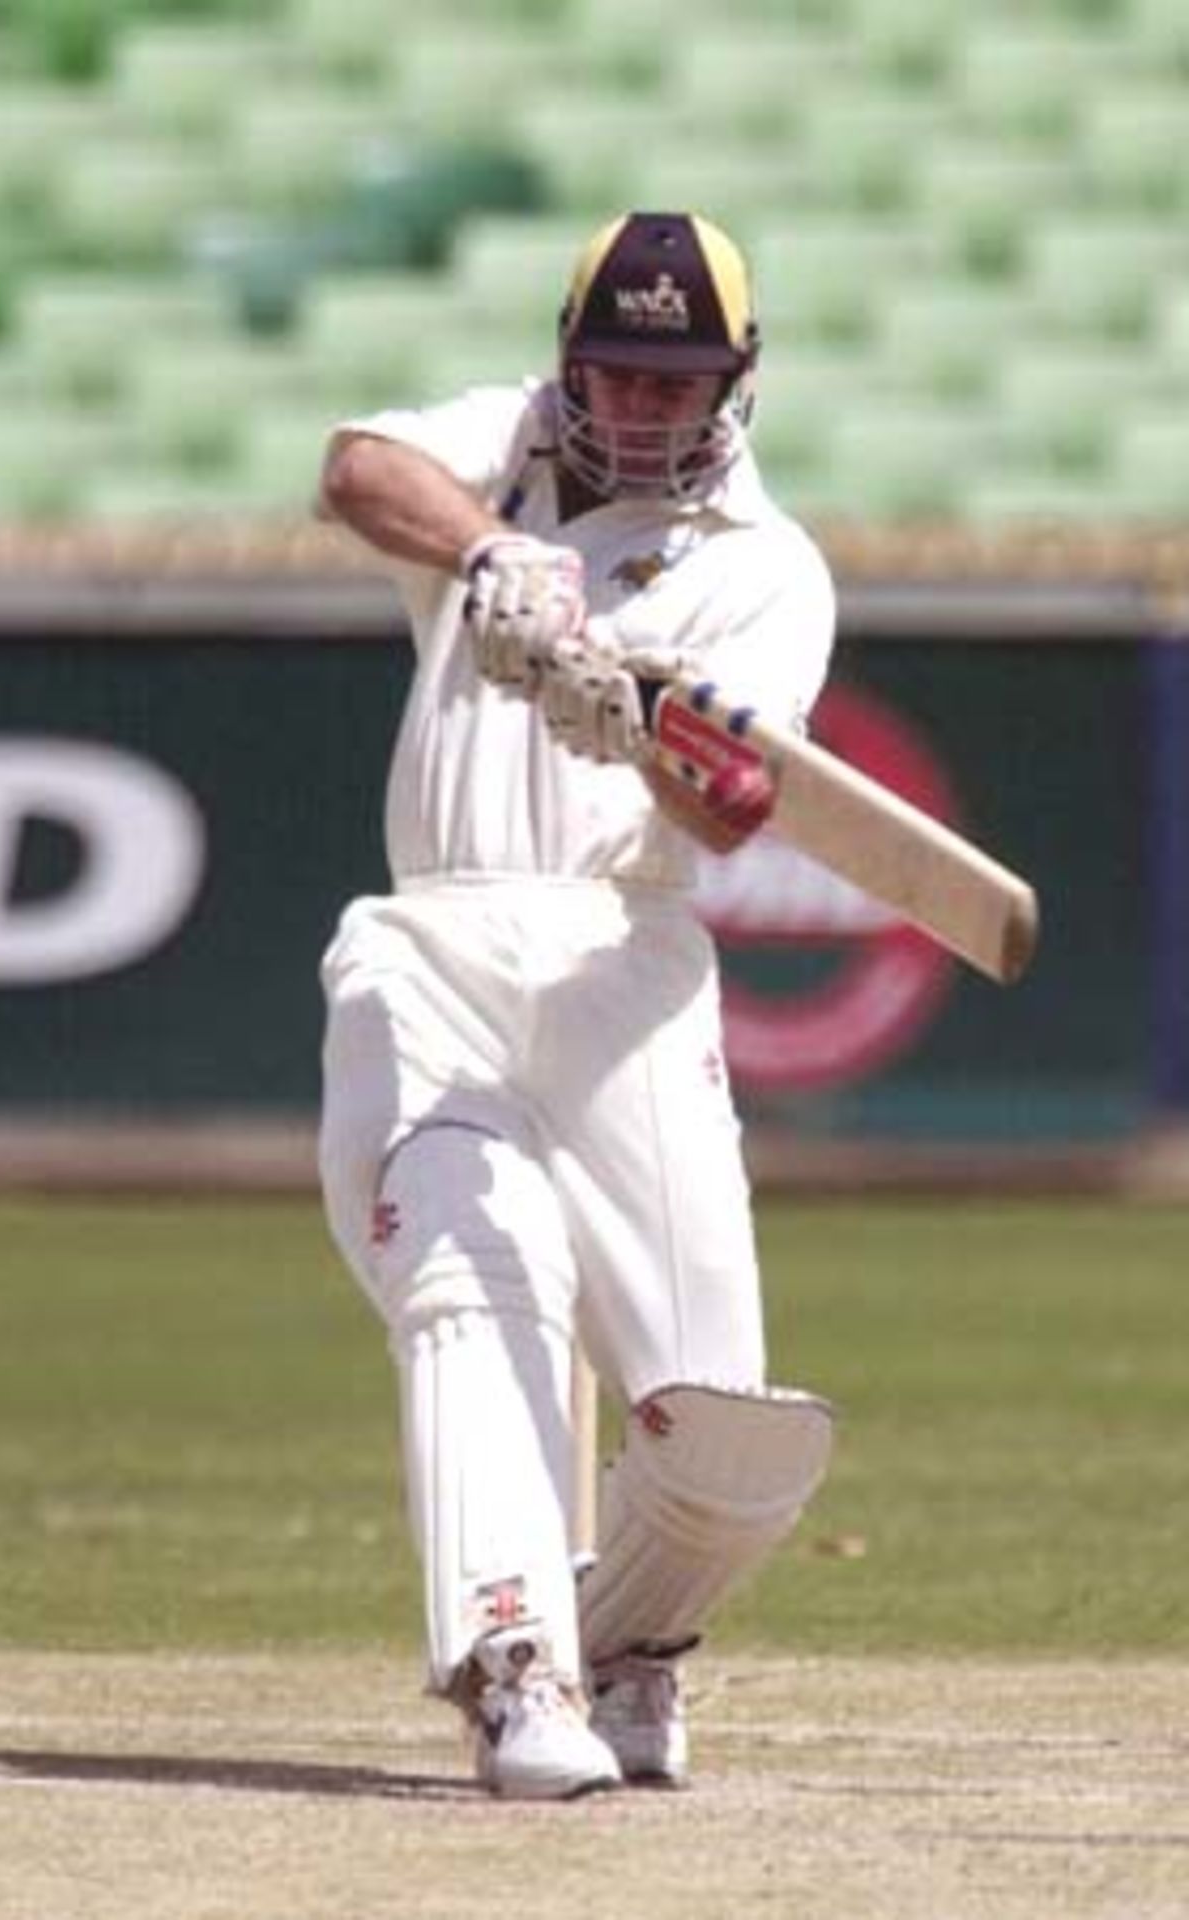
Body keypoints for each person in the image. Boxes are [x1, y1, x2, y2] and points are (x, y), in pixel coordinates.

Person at [315, 211, 837, 1800]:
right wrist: (488, 551)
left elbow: (740, 808)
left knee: (729, 1444)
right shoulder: (507, 449)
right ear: (564, 360)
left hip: (629, 964)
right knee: (482, 1278)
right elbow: (352, 471)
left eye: (679, 384)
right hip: (436, 950)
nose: (643, 410)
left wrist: (622, 709)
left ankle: (626, 1645)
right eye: (616, 372)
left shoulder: (771, 568)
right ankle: (512, 1665)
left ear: (737, 385)